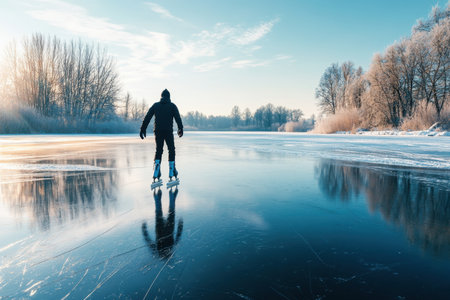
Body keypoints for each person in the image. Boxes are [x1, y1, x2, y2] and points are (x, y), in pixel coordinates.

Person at [140, 89, 183, 181]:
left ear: (161, 96)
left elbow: (148, 117)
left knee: (159, 150)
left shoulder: (156, 105)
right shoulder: (172, 106)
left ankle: (156, 170)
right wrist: (180, 129)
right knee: (171, 149)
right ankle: (172, 170)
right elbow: (178, 118)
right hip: (168, 131)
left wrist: (143, 129)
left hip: (158, 131)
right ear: (169, 97)